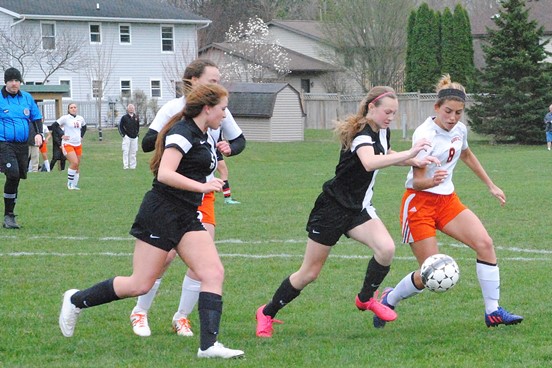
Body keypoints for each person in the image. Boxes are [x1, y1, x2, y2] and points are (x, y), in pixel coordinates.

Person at [59, 83, 245, 359]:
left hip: (186, 216)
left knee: (213, 273)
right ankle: (75, 300)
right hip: (161, 214)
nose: (225, 114)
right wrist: (203, 187)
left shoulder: (205, 135)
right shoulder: (182, 132)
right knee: (140, 284)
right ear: (207, 108)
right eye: (223, 109)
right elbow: (165, 174)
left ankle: (208, 346)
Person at [255, 86, 438, 338]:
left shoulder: (381, 130)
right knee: (309, 273)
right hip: (332, 209)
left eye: (394, 113)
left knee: (386, 249)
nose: (390, 117)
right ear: (371, 107)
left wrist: (413, 161)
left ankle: (365, 299)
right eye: (387, 111)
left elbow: (384, 153)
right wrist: (410, 153)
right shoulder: (362, 134)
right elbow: (369, 161)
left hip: (358, 209)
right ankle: (266, 312)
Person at [373, 74, 523, 330]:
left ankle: (493, 311)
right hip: (418, 204)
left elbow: (466, 154)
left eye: (458, 113)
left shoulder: (459, 129)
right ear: (436, 108)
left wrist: (491, 185)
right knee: (430, 274)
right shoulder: (424, 135)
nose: (453, 118)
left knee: (485, 243)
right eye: (448, 111)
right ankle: (389, 299)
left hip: (447, 202)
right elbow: (418, 181)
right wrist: (433, 181)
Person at [131, 59, 246, 338]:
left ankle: (182, 317)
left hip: (203, 193)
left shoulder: (219, 107)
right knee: (165, 257)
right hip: (176, 193)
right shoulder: (175, 110)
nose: (217, 85)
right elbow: (148, 143)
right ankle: (140, 312)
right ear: (193, 80)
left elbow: (240, 141)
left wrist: (227, 148)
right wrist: (180, 139)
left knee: (204, 263)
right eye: (212, 80)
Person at [0, 67, 43, 229]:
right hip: (4, 144)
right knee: (13, 174)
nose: (14, 83)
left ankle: (9, 215)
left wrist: (38, 134)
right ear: (5, 82)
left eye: (17, 80)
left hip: (22, 145)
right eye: (11, 80)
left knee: (16, 177)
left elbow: (36, 117)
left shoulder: (26, 98)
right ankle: (8, 216)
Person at [54, 103, 86, 190]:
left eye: (75, 107)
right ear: (68, 109)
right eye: (71, 107)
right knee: (74, 162)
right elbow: (54, 126)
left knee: (77, 165)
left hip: (78, 144)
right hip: (67, 144)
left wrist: (81, 136)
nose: (73, 109)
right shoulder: (65, 118)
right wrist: (61, 135)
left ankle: (74, 185)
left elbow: (84, 127)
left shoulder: (80, 118)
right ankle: (70, 183)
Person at [119, 103, 140, 169]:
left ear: (134, 109)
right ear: (127, 109)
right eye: (130, 108)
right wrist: (124, 135)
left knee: (133, 152)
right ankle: (125, 166)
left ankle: (133, 166)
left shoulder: (136, 117)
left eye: (132, 108)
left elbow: (138, 126)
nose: (131, 109)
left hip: (134, 137)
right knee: (126, 151)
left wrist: (137, 134)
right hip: (127, 137)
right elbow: (120, 126)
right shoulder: (124, 117)